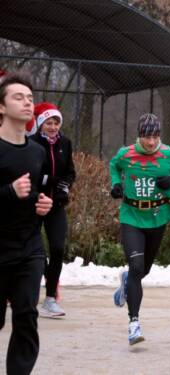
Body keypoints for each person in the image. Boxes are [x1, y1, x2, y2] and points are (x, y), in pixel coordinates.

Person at [110, 113, 170, 345]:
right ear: (139, 135)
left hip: (157, 217)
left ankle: (127, 281)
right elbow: (114, 166)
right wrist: (116, 184)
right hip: (132, 216)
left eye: (155, 136)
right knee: (137, 266)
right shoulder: (125, 154)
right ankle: (134, 324)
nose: (151, 142)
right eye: (147, 136)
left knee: (142, 271)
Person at [0, 73, 54, 375]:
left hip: (29, 246)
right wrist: (8, 191)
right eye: (18, 97)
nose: (26, 102)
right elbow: (13, 191)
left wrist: (41, 204)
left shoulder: (36, 151)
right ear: (1, 107)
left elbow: (33, 193)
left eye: (30, 98)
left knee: (26, 314)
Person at [28, 102, 76, 318]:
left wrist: (65, 185)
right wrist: (50, 180)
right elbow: (31, 173)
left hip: (56, 204)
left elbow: (70, 172)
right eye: (49, 122)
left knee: (57, 248)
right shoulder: (31, 144)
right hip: (35, 203)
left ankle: (49, 299)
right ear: (40, 124)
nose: (53, 126)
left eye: (56, 122)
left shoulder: (65, 143)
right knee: (34, 250)